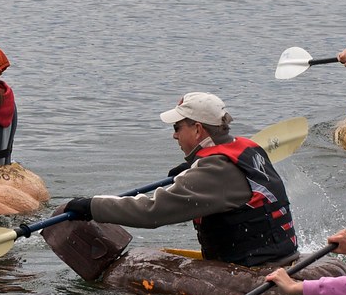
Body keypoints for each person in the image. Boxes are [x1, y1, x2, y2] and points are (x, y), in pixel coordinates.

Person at [62, 92, 299, 268]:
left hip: (254, 267)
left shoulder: (214, 170)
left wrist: (93, 207)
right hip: (279, 254)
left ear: (197, 129)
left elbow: (152, 212)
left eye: (177, 127)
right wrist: (192, 167)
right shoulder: (250, 149)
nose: (174, 134)